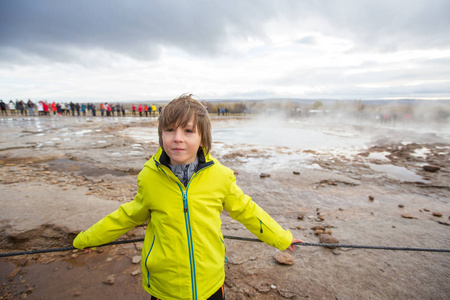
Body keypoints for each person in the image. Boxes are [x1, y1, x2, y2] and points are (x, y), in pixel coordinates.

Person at [73, 94, 302, 300]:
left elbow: (247, 210)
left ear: (203, 138)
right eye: (170, 130)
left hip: (210, 284)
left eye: (188, 131)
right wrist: (89, 238)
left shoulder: (220, 177)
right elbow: (127, 216)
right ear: (161, 135)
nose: (177, 138)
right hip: (165, 287)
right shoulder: (150, 178)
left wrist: (282, 238)